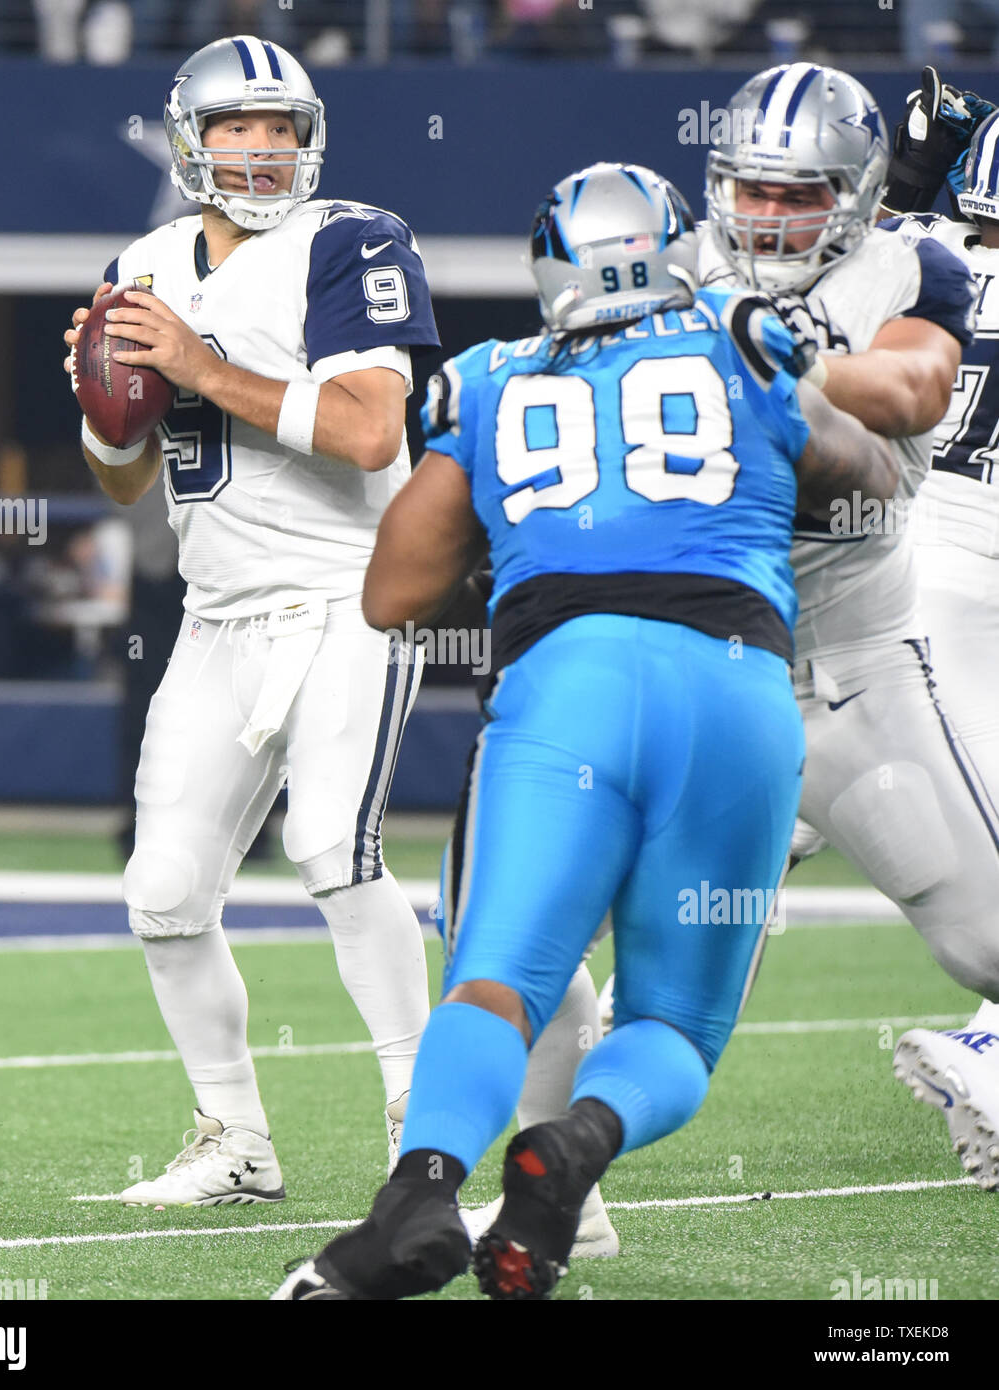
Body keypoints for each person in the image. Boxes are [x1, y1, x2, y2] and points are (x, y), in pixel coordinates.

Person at [273, 161, 899, 1300]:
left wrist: (510, 542)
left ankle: (414, 1193)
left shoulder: (489, 378)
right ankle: (571, 1151)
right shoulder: (739, 336)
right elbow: (864, 480)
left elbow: (392, 593)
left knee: (495, 981)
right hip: (735, 687)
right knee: (672, 1020)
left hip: (562, 683)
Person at [63, 34, 440, 1206]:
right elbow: (128, 480)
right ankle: (233, 1136)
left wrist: (196, 360)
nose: (263, 147)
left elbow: (373, 430)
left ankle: (419, 1132)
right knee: (162, 889)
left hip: (347, 597)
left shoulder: (352, 239)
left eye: (280, 126)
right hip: (217, 617)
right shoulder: (146, 259)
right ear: (191, 140)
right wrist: (105, 406)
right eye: (237, 126)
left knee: (333, 847)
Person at [873, 79, 999, 1187]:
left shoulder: (924, 257)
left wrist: (912, 175)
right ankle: (990, 1054)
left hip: (886, 564)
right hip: (974, 585)